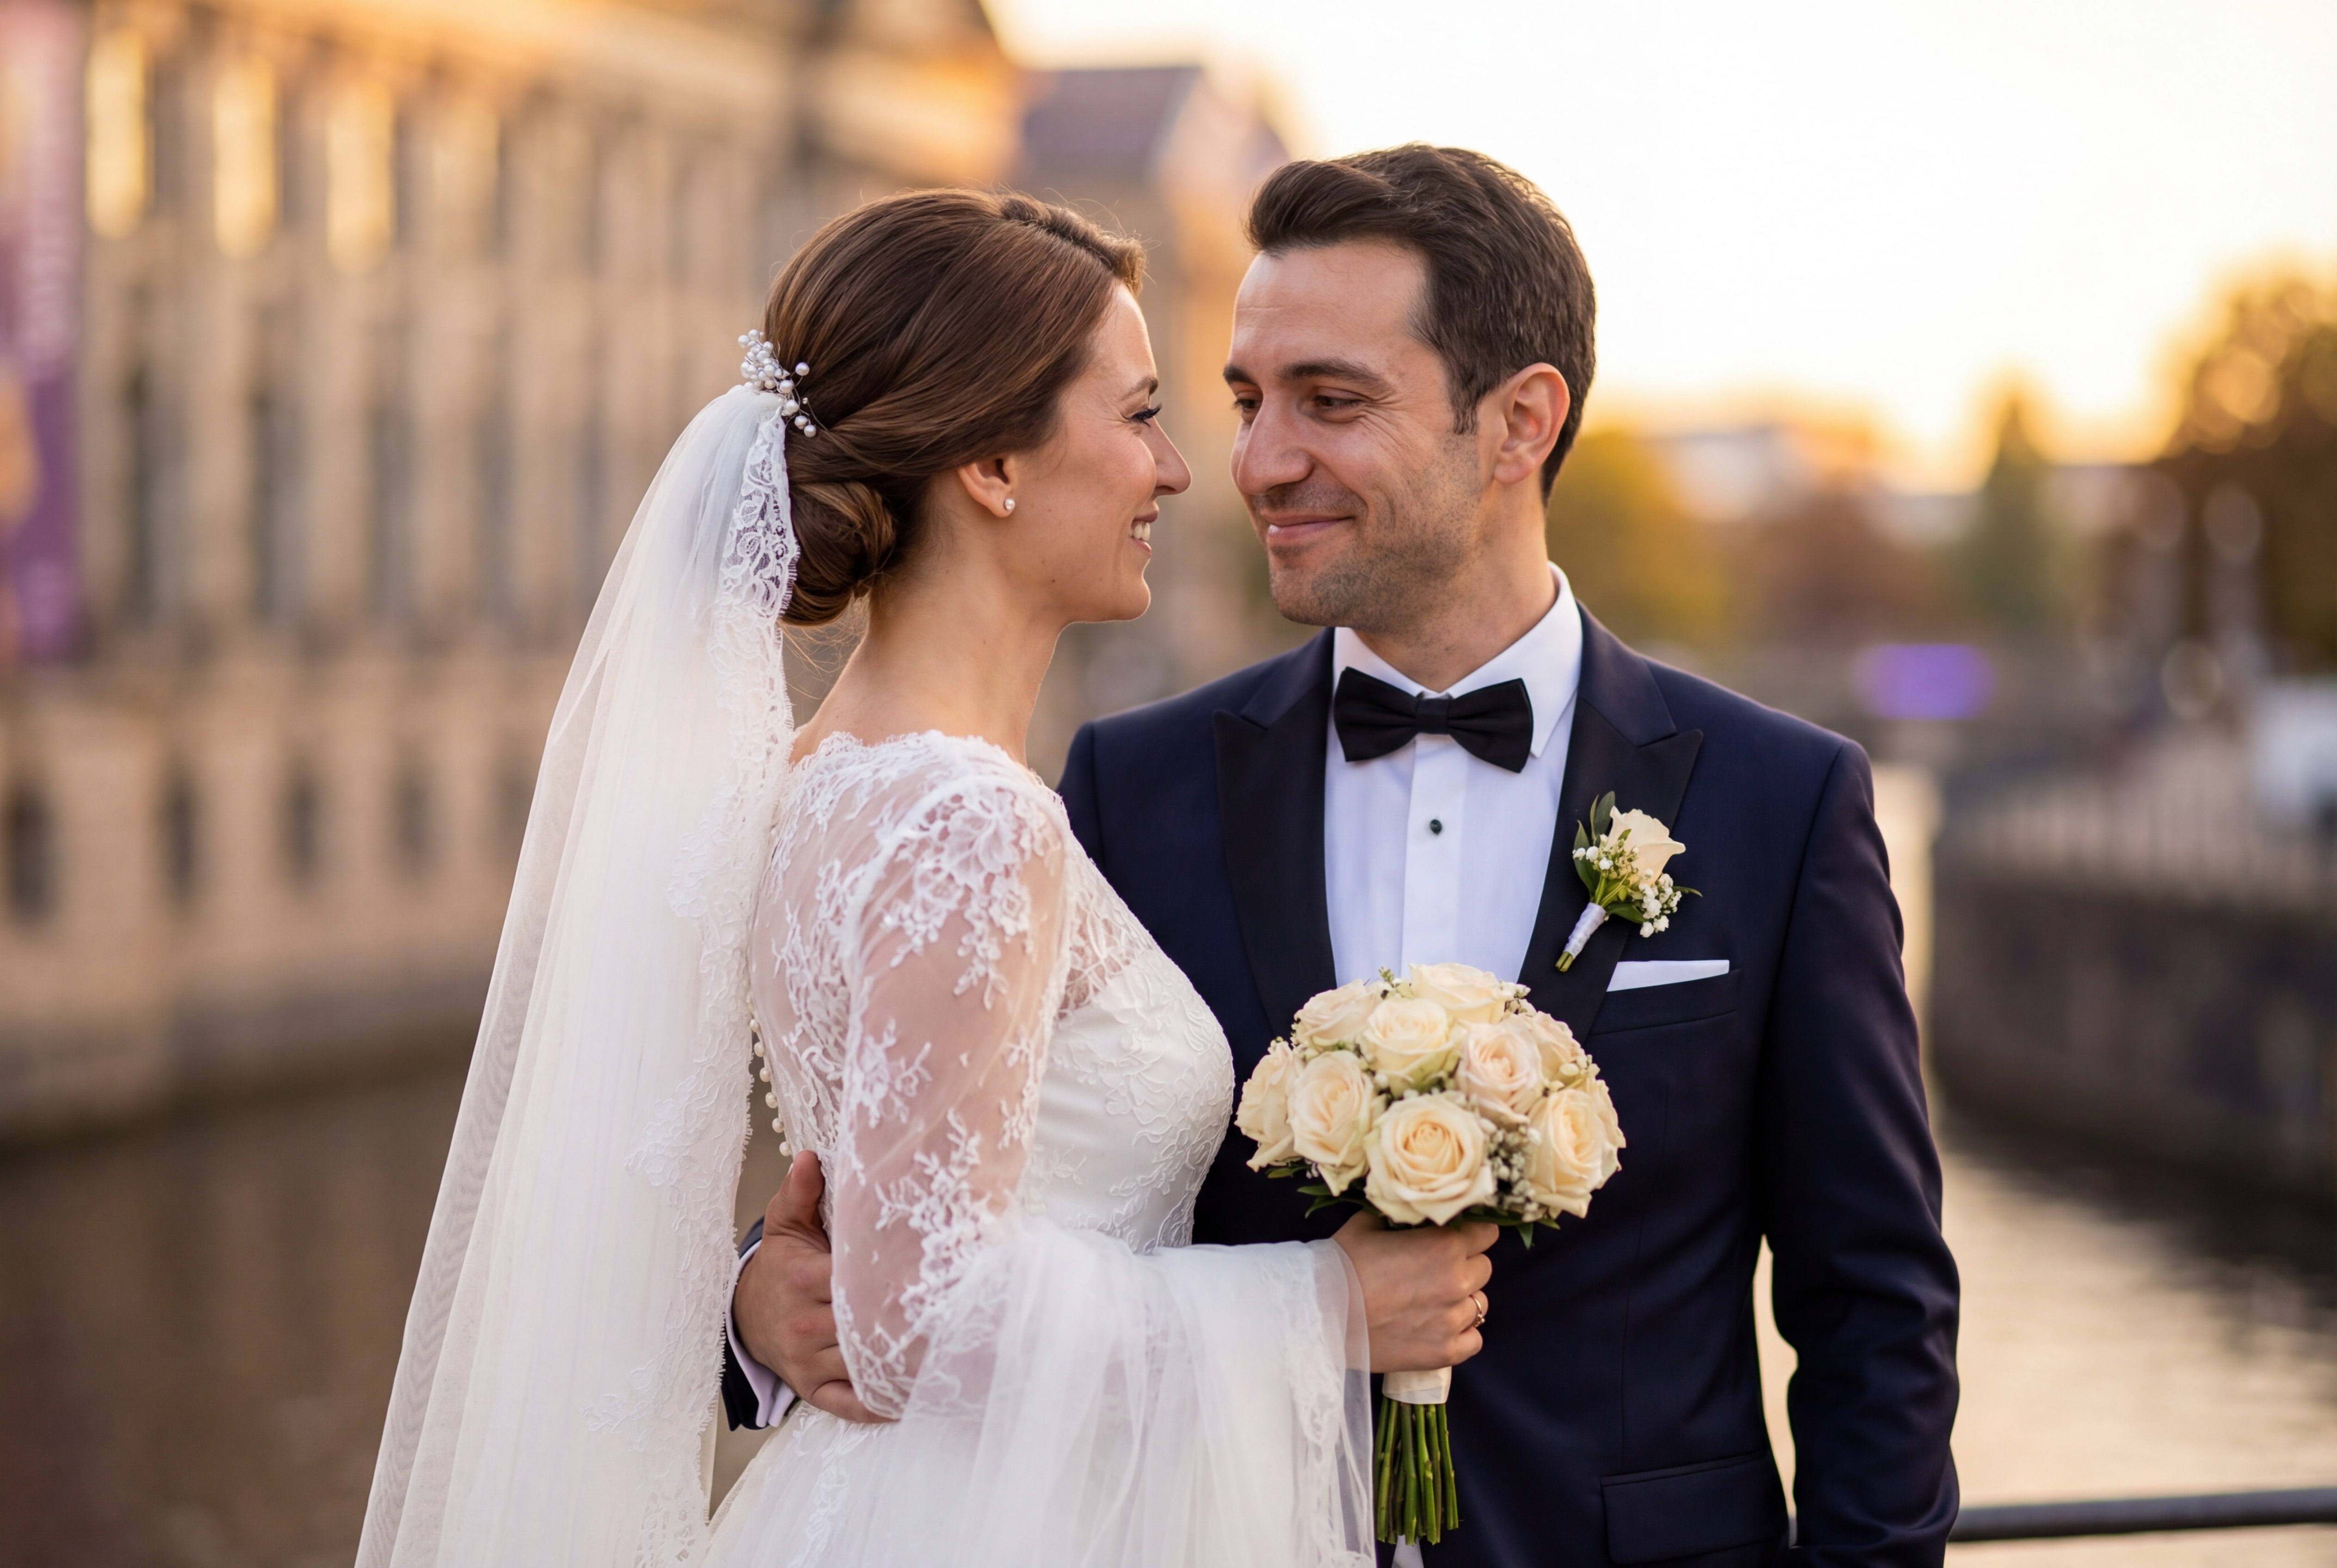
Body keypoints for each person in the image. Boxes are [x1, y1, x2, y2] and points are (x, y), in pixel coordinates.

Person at [730, 148, 1962, 1567]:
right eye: (1248, 401)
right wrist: (761, 1302)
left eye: (1332, 401)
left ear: (1519, 423)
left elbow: (1876, 1312)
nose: (1253, 463)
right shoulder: (1126, 789)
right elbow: (949, 1226)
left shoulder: (1780, 803)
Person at [357, 188, 1494, 1568]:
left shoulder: (811, 782)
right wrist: (1328, 1308)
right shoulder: (968, 819)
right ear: (995, 467)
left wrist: (754, 1299)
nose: (1181, 470)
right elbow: (924, 1321)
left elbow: (883, 1248)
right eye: (1138, 415)